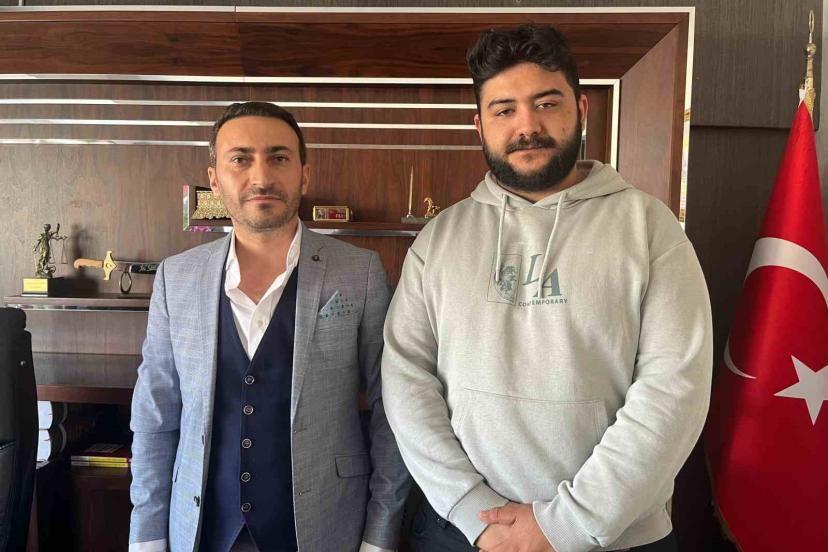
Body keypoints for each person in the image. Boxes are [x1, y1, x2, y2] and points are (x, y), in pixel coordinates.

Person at [381, 26, 712, 552]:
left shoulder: (651, 228)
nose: (527, 126)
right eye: (504, 110)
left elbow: (675, 390)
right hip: (464, 532)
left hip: (616, 536)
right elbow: (406, 379)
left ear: (580, 109)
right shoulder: (439, 238)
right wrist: (471, 510)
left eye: (546, 103)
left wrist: (568, 524)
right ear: (479, 125)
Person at [129, 102, 410, 552]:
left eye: (278, 158)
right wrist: (147, 537)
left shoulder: (360, 273)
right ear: (215, 179)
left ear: (304, 174)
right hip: (201, 530)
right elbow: (155, 416)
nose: (261, 177)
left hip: (324, 528)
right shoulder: (175, 278)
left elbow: (393, 413)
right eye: (240, 159)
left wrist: (379, 538)